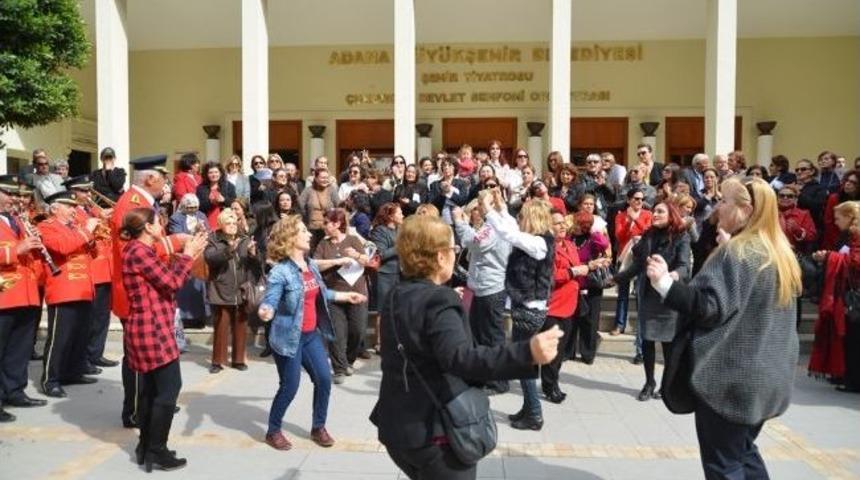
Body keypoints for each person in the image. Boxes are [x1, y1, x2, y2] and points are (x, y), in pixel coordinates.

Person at [371, 214, 563, 480]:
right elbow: (461, 359)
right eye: (453, 249)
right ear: (439, 256)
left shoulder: (396, 294)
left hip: (396, 427)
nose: (455, 254)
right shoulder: (440, 299)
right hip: (434, 434)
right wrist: (526, 352)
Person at [644, 177, 801, 479]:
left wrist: (663, 283)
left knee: (723, 465)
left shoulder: (739, 252)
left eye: (725, 201)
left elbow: (708, 308)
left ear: (746, 209)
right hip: (767, 378)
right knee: (743, 453)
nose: (718, 206)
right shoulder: (777, 252)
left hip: (731, 381)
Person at [257, 215, 366, 451]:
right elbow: (271, 299)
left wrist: (345, 296)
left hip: (310, 336)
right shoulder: (280, 272)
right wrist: (266, 310)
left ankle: (318, 427)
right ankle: (273, 430)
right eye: (303, 231)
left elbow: (320, 294)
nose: (309, 234)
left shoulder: (310, 265)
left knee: (324, 380)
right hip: (288, 339)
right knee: (290, 387)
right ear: (290, 238)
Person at [120, 207, 207, 471]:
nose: (163, 226)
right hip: (151, 329)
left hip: (151, 326)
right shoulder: (138, 252)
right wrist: (187, 257)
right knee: (168, 389)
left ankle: (147, 445)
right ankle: (156, 448)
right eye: (159, 222)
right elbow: (171, 283)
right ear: (147, 227)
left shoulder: (141, 251)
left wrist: (186, 254)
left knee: (152, 390)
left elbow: (163, 280)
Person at [483, 195, 555, 430]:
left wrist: (488, 212)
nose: (520, 218)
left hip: (529, 311)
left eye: (523, 215)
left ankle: (534, 414)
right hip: (526, 307)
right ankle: (528, 408)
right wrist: (501, 209)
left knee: (522, 364)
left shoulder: (539, 243)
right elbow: (512, 227)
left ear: (533, 218)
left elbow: (509, 234)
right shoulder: (535, 240)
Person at [612, 201, 691, 401]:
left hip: (669, 295)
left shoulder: (681, 236)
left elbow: (684, 266)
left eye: (660, 211)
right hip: (648, 295)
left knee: (668, 344)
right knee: (647, 339)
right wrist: (615, 278)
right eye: (654, 211)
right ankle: (649, 382)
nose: (655, 214)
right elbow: (637, 265)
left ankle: (667, 385)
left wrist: (672, 275)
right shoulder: (649, 235)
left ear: (671, 214)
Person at [37, 191, 100, 398]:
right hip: (63, 289)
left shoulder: (76, 228)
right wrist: (86, 232)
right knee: (59, 339)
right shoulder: (46, 226)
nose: (74, 210)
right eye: (69, 206)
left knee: (79, 336)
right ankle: (50, 379)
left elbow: (93, 253)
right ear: (55, 209)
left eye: (74, 206)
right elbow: (63, 247)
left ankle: (73, 371)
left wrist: (90, 237)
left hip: (83, 287)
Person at [451, 190, 513, 395]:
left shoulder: (494, 225)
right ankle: (482, 375)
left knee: (491, 336)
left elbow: (476, 243)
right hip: (483, 287)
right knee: (478, 333)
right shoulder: (504, 220)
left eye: (479, 204)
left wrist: (459, 222)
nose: (477, 209)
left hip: (490, 288)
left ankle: (498, 382)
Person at [0, 176, 48, 421]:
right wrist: (14, 250)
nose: (14, 199)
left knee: (19, 348)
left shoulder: (18, 219)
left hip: (25, 292)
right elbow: (13, 251)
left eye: (16, 195)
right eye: (8, 194)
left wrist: (37, 246)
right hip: (4, 294)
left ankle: (15, 391)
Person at [64, 175, 118, 369]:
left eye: (89, 191)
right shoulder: (73, 213)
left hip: (105, 267)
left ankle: (96, 353)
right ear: (73, 193)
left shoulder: (93, 209)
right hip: (91, 268)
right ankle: (84, 357)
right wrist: (97, 220)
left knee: (102, 316)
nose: (88, 195)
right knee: (90, 318)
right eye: (83, 191)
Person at [312, 208, 370, 384]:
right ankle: (338, 369)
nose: (324, 226)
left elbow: (368, 261)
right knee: (336, 332)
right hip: (334, 294)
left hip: (356, 292)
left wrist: (356, 255)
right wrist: (336, 261)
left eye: (326, 223)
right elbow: (314, 264)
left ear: (337, 224)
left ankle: (348, 360)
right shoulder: (323, 243)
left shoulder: (353, 240)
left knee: (358, 331)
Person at [809, 201, 860, 392]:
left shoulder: (857, 237)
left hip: (853, 297)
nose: (836, 222)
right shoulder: (848, 236)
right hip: (846, 295)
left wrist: (830, 257)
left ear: (850, 217)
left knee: (854, 340)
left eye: (838, 218)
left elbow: (856, 261)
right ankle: (844, 375)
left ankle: (852, 379)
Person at [541, 210, 589, 403]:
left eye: (563, 223)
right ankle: (549, 386)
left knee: (562, 351)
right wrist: (573, 271)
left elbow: (576, 268)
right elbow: (551, 276)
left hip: (572, 304)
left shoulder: (569, 244)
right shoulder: (546, 247)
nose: (562, 226)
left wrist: (591, 266)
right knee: (553, 351)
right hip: (555, 305)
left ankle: (553, 383)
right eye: (557, 223)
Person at [204, 209, 259, 373]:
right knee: (221, 326)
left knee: (240, 326)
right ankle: (217, 361)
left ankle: (238, 359)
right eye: (228, 223)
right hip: (221, 288)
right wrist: (229, 250)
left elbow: (256, 265)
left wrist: (253, 254)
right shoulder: (213, 239)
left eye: (235, 222)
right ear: (220, 224)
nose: (233, 226)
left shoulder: (244, 239)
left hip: (241, 288)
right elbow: (211, 258)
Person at [569, 211, 611, 363]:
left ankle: (588, 354)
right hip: (573, 283)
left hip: (591, 284)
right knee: (571, 321)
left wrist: (596, 231)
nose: (578, 226)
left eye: (581, 223)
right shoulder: (571, 237)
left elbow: (605, 245)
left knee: (590, 321)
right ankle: (569, 352)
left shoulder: (593, 238)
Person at [611, 188, 652, 338]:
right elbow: (619, 236)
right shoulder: (621, 216)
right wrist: (628, 222)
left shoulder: (648, 215)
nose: (639, 201)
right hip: (625, 256)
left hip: (642, 258)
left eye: (641, 199)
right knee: (623, 293)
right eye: (636, 198)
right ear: (629, 200)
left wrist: (635, 219)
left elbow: (649, 232)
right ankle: (619, 324)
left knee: (641, 293)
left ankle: (641, 327)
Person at [168, 194, 211, 330]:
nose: (193, 210)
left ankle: (200, 317)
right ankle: (185, 318)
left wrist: (203, 232)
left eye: (195, 207)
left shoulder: (202, 215)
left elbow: (208, 231)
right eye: (190, 207)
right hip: (184, 255)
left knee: (199, 286)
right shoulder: (176, 218)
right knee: (185, 287)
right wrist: (194, 231)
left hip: (199, 256)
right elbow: (177, 235)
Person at [368, 203, 403, 351]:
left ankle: (395, 339)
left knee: (397, 309)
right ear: (390, 216)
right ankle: (380, 342)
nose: (402, 215)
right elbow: (380, 254)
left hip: (399, 273)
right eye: (399, 213)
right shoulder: (379, 231)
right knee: (383, 309)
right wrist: (399, 246)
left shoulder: (399, 230)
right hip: (385, 274)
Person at [298, 168, 339, 254]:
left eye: (327, 177)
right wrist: (306, 219)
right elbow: (300, 206)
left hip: (328, 229)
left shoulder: (332, 190)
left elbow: (338, 206)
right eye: (322, 178)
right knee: (312, 252)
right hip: (311, 228)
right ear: (316, 178)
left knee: (326, 252)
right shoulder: (308, 190)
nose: (325, 180)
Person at [822, 170, 860, 249]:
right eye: (847, 180)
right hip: (834, 241)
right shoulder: (834, 198)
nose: (847, 183)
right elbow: (829, 223)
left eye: (853, 182)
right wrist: (840, 243)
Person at [197, 162, 236, 230]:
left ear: (220, 173)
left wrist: (224, 200)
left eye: (216, 172)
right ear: (206, 174)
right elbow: (199, 207)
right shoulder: (201, 188)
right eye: (210, 172)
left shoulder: (229, 186)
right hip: (207, 220)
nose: (214, 175)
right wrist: (211, 202)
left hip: (225, 220)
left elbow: (233, 203)